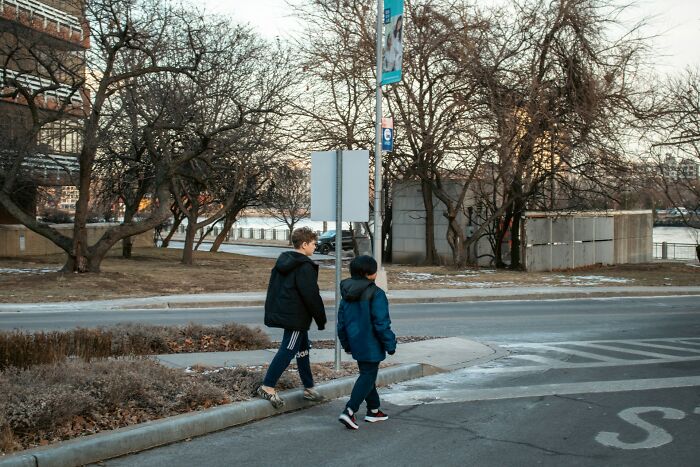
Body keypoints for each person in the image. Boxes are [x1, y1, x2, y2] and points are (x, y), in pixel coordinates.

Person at [257, 227, 327, 409]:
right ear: (304, 244)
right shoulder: (304, 266)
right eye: (313, 243)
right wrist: (320, 318)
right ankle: (267, 386)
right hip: (296, 316)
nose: (315, 246)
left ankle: (309, 387)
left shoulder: (285, 261)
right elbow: (311, 295)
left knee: (302, 350)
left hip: (289, 312)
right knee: (288, 349)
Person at [337, 255, 397, 430]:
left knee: (367, 374)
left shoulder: (346, 293)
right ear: (368, 273)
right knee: (368, 375)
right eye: (374, 270)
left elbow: (342, 323)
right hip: (371, 342)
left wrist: (346, 343)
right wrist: (390, 343)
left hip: (355, 341)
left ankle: (373, 410)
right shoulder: (376, 293)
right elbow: (381, 323)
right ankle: (349, 410)